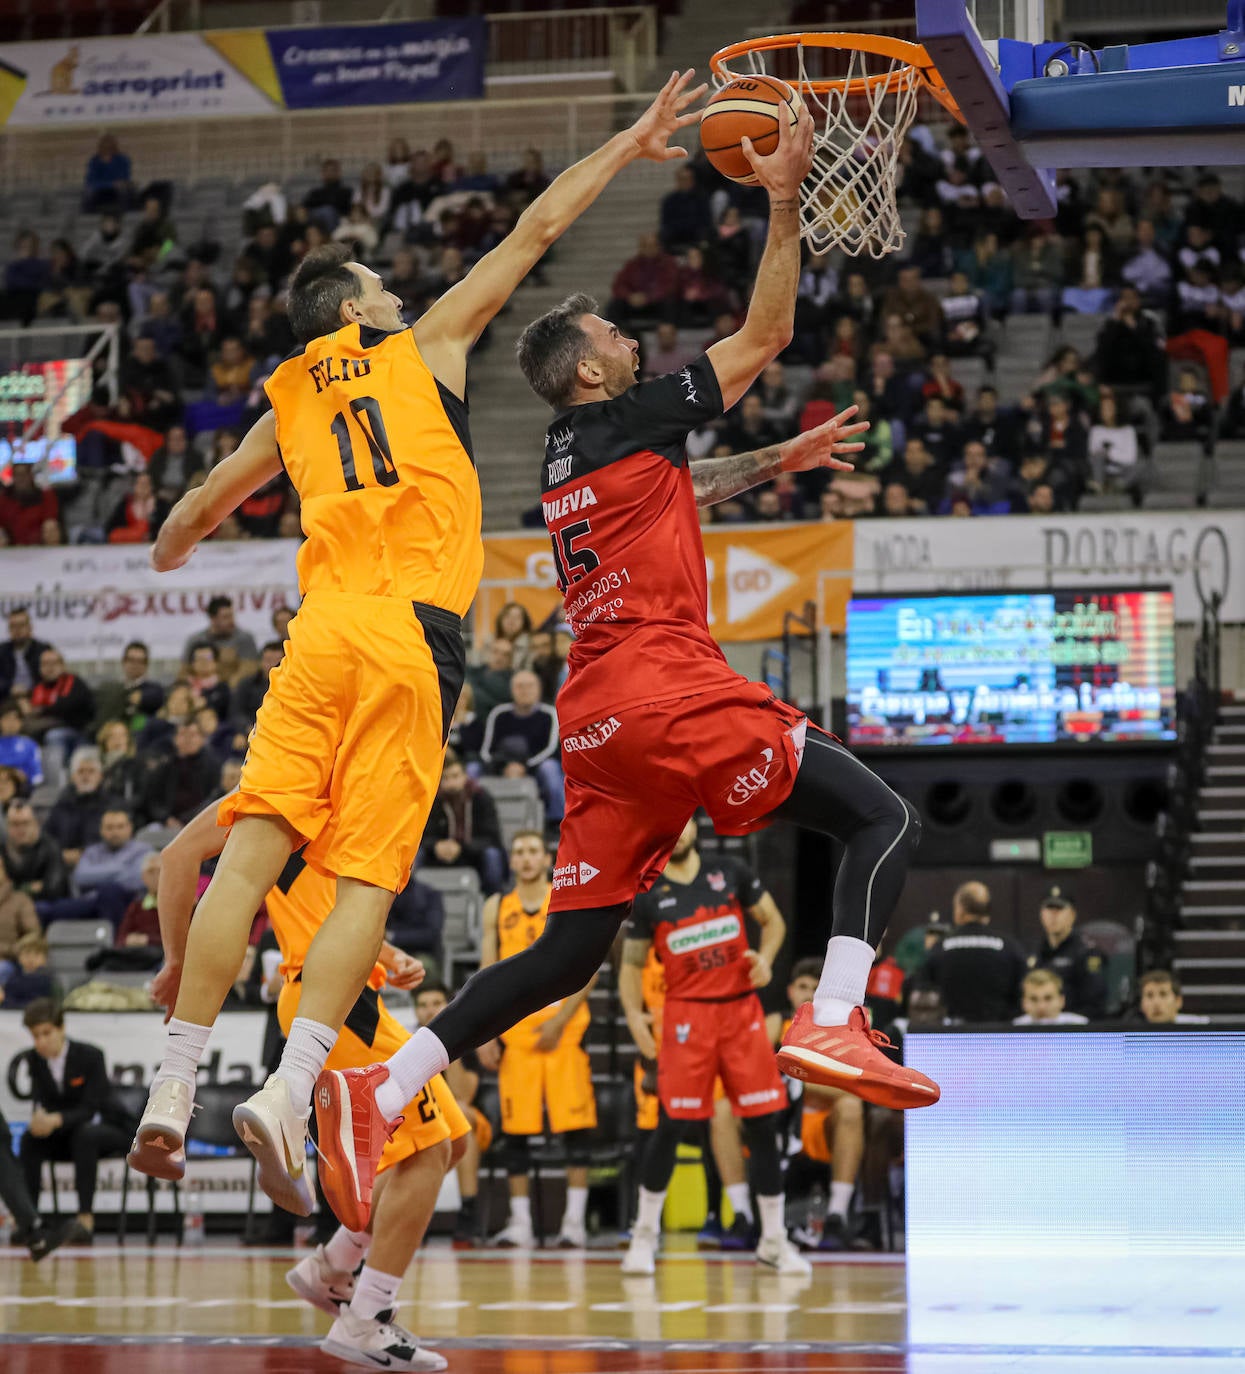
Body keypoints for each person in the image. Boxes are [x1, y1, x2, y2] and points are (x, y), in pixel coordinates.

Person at [315, 97, 939, 1230]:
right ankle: (834, 1016)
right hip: (663, 686)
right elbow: (763, 340)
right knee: (879, 818)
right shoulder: (631, 413)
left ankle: (385, 1082)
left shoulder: (574, 460)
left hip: (594, 724)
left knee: (569, 950)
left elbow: (682, 489)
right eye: (609, 331)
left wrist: (779, 458)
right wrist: (788, 199)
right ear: (592, 374)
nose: (625, 332)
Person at [129, 73, 712, 1216]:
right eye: (383, 285)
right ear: (358, 311)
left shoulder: (285, 399)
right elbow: (537, 228)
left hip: (319, 629)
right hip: (407, 636)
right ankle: (290, 1093)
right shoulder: (424, 346)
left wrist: (168, 553)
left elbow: (187, 520)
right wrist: (631, 143)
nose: (400, 290)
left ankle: (170, 1087)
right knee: (362, 877)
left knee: (248, 855)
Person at [149, 795, 466, 1370]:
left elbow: (327, 904)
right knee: (426, 1155)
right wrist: (176, 962)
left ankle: (333, 1266)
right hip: (330, 1002)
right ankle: (366, 1316)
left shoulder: (340, 778)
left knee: (456, 1140)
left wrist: (386, 953)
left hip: (356, 989)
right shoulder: (289, 783)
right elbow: (176, 858)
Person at [618, 818, 806, 1275]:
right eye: (670, 825)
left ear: (695, 830)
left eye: (683, 824)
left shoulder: (731, 871)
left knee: (762, 1125)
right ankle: (644, 1236)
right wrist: (635, 1021)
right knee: (672, 1124)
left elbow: (774, 922)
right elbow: (630, 967)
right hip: (686, 1015)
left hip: (741, 1012)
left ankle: (774, 1240)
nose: (676, 832)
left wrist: (765, 957)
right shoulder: (648, 893)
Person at [475, 830, 597, 1250]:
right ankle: (521, 1224)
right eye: (519, 852)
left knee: (576, 1131)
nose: (526, 859)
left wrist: (560, 1020)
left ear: (547, 858)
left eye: (532, 851)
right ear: (511, 861)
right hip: (518, 1035)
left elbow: (589, 963)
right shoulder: (498, 906)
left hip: (563, 1032)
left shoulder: (568, 897)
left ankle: (575, 1225)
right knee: (518, 1134)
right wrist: (486, 1029)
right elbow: (488, 972)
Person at [14, 999, 133, 1246]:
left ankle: (85, 1220)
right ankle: (30, 1221)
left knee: (85, 1134)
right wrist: (40, 1120)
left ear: (61, 1029)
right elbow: (41, 1101)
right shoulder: (35, 1061)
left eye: (46, 1033)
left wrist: (55, 1119)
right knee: (29, 1139)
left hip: (109, 1128)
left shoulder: (90, 1056)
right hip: (68, 1132)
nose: (41, 1042)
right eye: (35, 1036)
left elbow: (91, 1109)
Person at [769, 956, 866, 1251]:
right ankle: (743, 1216)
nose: (808, 993)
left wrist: (796, 1077)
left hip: (823, 1127)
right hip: (779, 1119)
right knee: (725, 1109)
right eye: (802, 986)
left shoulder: (842, 1032)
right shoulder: (774, 1025)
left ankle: (837, 1214)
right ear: (790, 992)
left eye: (815, 988)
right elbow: (760, 1075)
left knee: (851, 1107)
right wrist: (819, 1082)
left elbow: (853, 1087)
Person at [414, 980, 491, 1248]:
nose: (429, 1011)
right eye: (422, 1006)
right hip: (423, 1122)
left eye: (436, 1003)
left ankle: (468, 1210)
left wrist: (448, 1044)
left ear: (448, 1006)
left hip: (466, 1121)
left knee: (461, 1116)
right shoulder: (407, 1043)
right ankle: (411, 1215)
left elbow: (464, 1094)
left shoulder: (466, 1040)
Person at [920, 881, 1028, 1023]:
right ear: (987, 912)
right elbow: (1025, 994)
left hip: (951, 1035)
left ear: (959, 909)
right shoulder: (1010, 947)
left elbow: (924, 993)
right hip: (999, 1034)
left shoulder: (940, 947)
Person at [37, 806, 149, 932]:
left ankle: (115, 948)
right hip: (91, 902)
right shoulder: (92, 851)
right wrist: (120, 868)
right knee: (42, 909)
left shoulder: (142, 850)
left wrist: (99, 873)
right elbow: (81, 877)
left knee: (110, 891)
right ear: (101, 830)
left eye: (120, 826)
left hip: (127, 903)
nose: (115, 832)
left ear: (130, 828)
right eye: (109, 827)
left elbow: (136, 880)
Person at [479, 669, 563, 821]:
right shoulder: (499, 714)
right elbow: (486, 750)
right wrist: (504, 767)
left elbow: (550, 749)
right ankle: (480, 822)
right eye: (520, 686)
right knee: (472, 770)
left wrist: (524, 767)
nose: (525, 691)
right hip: (500, 767)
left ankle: (556, 822)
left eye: (530, 686)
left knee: (550, 768)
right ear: (512, 690)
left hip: (536, 768)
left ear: (539, 689)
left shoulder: (550, 714)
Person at [418, 750, 506, 893]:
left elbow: (492, 837)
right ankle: (411, 899)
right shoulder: (433, 800)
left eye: (455, 776)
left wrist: (461, 847)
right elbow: (420, 836)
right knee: (417, 854)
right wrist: (436, 845)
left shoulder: (481, 797)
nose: (451, 783)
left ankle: (493, 899)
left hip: (472, 855)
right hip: (438, 855)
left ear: (465, 776)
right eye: (446, 778)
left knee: (492, 854)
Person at [1028, 886, 1107, 1020]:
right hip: (1037, 1027)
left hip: (1074, 1030)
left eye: (1059, 909)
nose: (1053, 915)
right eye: (1049, 909)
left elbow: (1095, 1004)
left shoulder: (1087, 952)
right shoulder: (1034, 951)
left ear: (1072, 915)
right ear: (1041, 914)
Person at [45, 747, 117, 869]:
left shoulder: (112, 804)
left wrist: (84, 854)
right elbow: (48, 836)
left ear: (100, 776)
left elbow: (114, 837)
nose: (85, 776)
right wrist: (61, 854)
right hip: (62, 863)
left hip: (101, 864)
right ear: (73, 777)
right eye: (81, 771)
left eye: (91, 771)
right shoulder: (62, 804)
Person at [4, 801, 69, 902]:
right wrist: (30, 887)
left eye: (25, 823)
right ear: (7, 827)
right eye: (15, 824)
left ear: (36, 824)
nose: (21, 829)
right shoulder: (3, 850)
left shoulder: (50, 847)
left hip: (46, 906)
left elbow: (54, 889)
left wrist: (12, 889)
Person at [182, 595, 260, 665]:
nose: (231, 621)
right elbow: (185, 669)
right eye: (226, 617)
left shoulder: (245, 639)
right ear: (213, 619)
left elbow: (250, 668)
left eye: (232, 616)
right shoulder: (196, 640)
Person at [0, 852, 39, 984]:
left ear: (5, 871)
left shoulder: (20, 900)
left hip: (7, 961)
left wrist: (10, 950)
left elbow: (33, 934)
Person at [0, 607, 51, 701]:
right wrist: (9, 688)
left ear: (30, 627)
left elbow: (51, 677)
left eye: (21, 625)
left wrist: (30, 692)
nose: (17, 630)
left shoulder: (43, 650)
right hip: (7, 699)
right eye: (13, 626)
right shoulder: (2, 651)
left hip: (38, 698)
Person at [1, 932, 57, 1008]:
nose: (31, 959)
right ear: (19, 957)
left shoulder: (47, 980)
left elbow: (39, 1004)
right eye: (27, 953)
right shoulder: (13, 979)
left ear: (46, 959)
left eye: (37, 954)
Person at [1013, 968, 1087, 1026]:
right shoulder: (1012, 1032)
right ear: (1023, 1003)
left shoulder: (1082, 1027)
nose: (1041, 1007)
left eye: (1048, 998)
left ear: (1061, 1000)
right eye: (1034, 999)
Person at [1136, 969, 1209, 1025]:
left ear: (1178, 1001)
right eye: (1149, 996)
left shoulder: (1200, 1031)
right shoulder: (1130, 1038)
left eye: (1163, 994)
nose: (1156, 1002)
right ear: (1141, 1004)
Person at [0, 699, 42, 786]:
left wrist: (23, 777)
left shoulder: (30, 745)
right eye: (7, 718)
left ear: (20, 722)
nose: (11, 723)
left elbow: (37, 775)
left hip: (23, 788)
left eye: (16, 719)